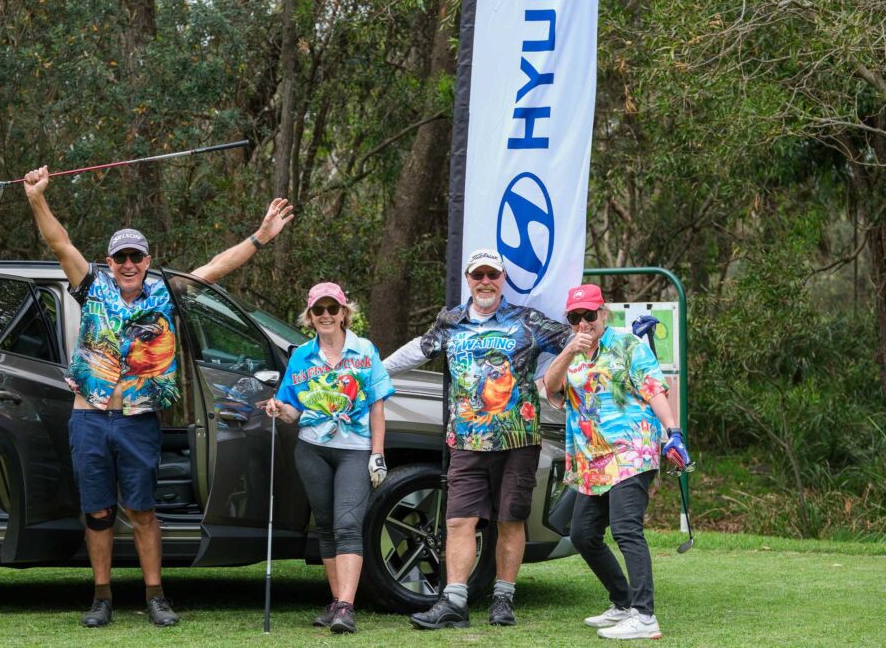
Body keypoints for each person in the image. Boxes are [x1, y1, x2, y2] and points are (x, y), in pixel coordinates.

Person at [21, 165, 293, 628]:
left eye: (137, 257)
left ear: (147, 260)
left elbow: (214, 269)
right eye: (121, 257)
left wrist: (260, 237)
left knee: (143, 510)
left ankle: (155, 595)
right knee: (98, 512)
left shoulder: (164, 293)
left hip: (138, 419)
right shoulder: (91, 288)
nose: (129, 264)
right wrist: (36, 199)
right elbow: (59, 243)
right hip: (90, 417)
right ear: (109, 261)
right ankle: (102, 597)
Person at [382, 248, 569, 629]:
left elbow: (574, 340)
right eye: (478, 275)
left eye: (492, 275)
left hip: (517, 441)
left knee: (510, 521)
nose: (485, 281)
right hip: (465, 442)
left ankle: (503, 600)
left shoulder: (527, 320)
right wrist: (377, 372)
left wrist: (553, 380)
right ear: (468, 279)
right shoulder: (451, 321)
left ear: (502, 280)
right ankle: (454, 602)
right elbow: (419, 349)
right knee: (458, 521)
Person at [543, 284, 694, 641]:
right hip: (591, 458)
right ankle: (623, 602)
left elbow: (654, 389)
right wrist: (567, 351)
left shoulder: (629, 345)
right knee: (582, 534)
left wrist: (674, 432)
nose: (583, 323)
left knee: (626, 529)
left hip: (631, 451)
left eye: (589, 315)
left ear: (603, 314)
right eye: (575, 317)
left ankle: (644, 617)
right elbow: (550, 388)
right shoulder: (571, 352)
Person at [263, 282, 394, 634]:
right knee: (325, 526)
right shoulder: (302, 355)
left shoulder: (365, 350)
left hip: (355, 450)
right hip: (311, 449)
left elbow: (378, 406)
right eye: (318, 310)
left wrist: (377, 454)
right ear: (310, 316)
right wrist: (279, 408)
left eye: (331, 309)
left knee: (348, 524)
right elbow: (293, 410)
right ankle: (337, 603)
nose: (325, 316)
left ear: (343, 313)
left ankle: (347, 607)